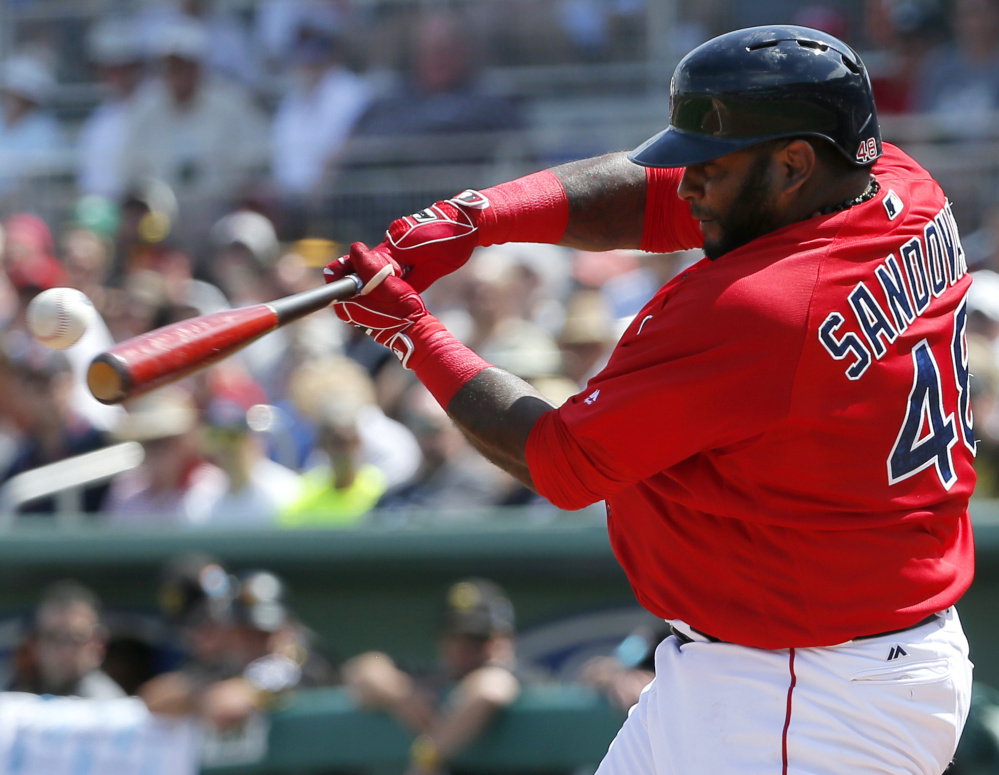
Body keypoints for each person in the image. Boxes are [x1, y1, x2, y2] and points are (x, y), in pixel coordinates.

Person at [324, 24, 977, 774]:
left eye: (711, 166)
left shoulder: (753, 310)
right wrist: (481, 217)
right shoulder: (900, 185)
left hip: (807, 689)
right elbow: (657, 194)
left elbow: (561, 462)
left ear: (795, 162)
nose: (689, 182)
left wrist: (410, 331)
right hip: (809, 662)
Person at [343, 578, 534, 775]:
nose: (465, 649)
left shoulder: (526, 677)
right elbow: (361, 669)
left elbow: (490, 689)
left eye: (478, 639)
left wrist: (428, 757)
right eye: (456, 638)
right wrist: (401, 696)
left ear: (506, 639)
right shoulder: (438, 676)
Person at [7, 580, 125, 698]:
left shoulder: (108, 705)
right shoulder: (14, 695)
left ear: (99, 644)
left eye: (76, 638)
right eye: (52, 636)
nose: (65, 650)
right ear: (35, 643)